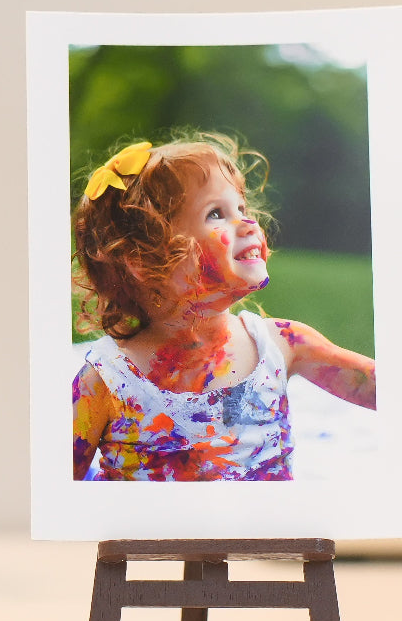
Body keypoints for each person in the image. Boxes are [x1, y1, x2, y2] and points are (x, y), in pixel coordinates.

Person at [72, 133, 375, 482]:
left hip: (265, 534)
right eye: (216, 213)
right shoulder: (109, 379)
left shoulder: (281, 344)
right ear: (141, 262)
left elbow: (386, 389)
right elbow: (57, 490)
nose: (247, 223)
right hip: (153, 537)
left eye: (241, 209)